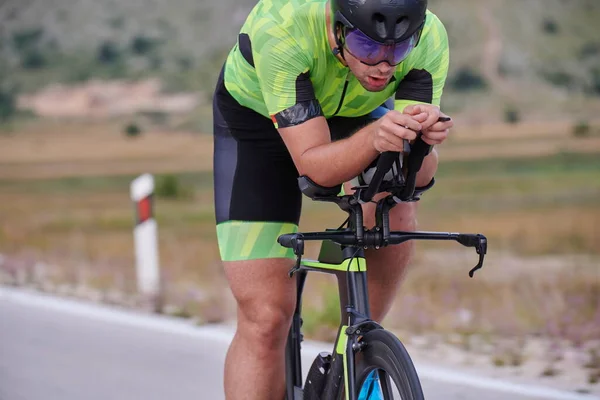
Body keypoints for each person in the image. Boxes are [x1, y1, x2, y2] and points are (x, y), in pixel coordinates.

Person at [212, 0, 453, 398]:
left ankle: (357, 351)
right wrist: (376, 139)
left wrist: (426, 144)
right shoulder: (282, 27)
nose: (382, 64)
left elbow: (420, 177)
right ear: (337, 28)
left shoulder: (429, 37)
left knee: (399, 200)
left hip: (359, 113)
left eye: (397, 50)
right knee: (266, 318)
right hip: (256, 129)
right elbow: (315, 169)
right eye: (367, 46)